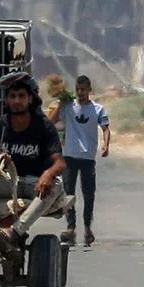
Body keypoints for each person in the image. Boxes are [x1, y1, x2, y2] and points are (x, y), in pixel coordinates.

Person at [0, 72, 66, 248]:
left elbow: (60, 162)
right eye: (13, 96)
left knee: (56, 184)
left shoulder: (44, 126)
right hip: (5, 184)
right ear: (6, 101)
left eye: (21, 96)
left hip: (34, 184)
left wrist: (48, 174)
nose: (17, 101)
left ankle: (15, 231)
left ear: (30, 99)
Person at [47, 75, 109, 246]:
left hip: (88, 158)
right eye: (78, 90)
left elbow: (105, 129)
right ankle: (71, 227)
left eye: (84, 90)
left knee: (89, 195)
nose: (81, 93)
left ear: (89, 90)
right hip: (70, 156)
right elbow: (50, 122)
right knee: (69, 193)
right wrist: (61, 102)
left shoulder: (97, 109)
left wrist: (106, 145)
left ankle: (88, 228)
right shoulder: (68, 107)